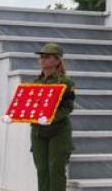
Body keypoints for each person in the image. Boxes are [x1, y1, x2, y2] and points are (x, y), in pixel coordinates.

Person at [29, 43, 76, 191]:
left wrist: (50, 117)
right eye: (41, 57)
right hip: (38, 131)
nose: (42, 60)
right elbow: (30, 106)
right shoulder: (35, 82)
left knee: (55, 170)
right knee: (42, 170)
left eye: (47, 57)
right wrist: (15, 114)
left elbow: (68, 107)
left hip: (58, 131)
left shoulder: (66, 82)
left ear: (57, 60)